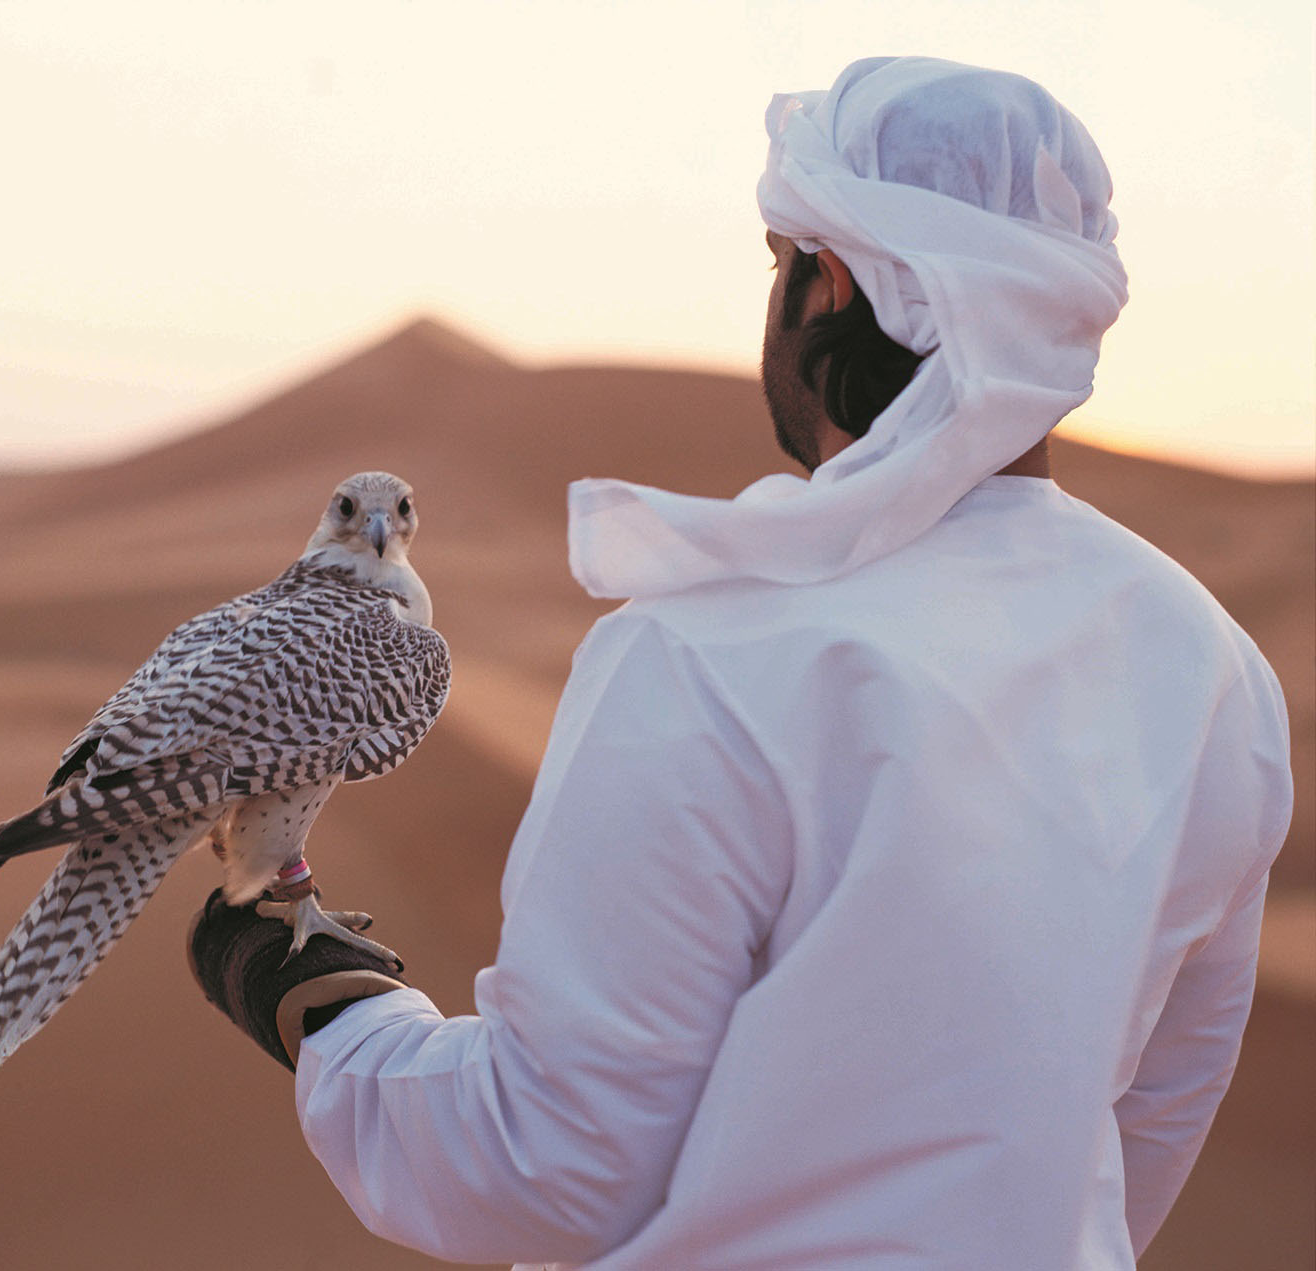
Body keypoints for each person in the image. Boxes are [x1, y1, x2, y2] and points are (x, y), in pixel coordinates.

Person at [187, 56, 1293, 1269]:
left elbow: (540, 1166)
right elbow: (1152, 1115)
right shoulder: (1208, 667)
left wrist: (326, 1007)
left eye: (778, 261)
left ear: (823, 283)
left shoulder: (710, 648)